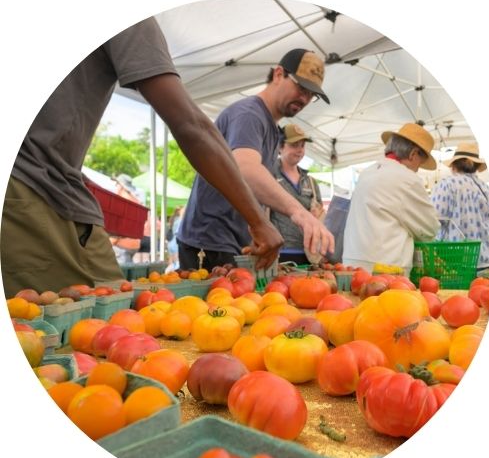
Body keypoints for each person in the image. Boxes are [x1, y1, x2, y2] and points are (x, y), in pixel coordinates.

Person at [0, 16, 282, 298]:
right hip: (30, 185)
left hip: (29, 181)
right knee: (108, 314)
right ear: (279, 74)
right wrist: (258, 222)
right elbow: (191, 125)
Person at [177, 48, 335, 271]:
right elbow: (246, 168)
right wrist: (299, 213)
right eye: (301, 87)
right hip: (211, 243)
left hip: (233, 243)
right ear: (279, 74)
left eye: (311, 94)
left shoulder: (270, 126)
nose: (305, 98)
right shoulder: (249, 114)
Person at [342, 123, 440, 276]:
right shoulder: (407, 179)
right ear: (413, 154)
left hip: (351, 266)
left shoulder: (367, 173)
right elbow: (430, 228)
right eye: (420, 164)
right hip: (386, 270)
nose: (417, 169)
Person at [431, 143, 489, 271]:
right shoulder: (487, 189)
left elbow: (432, 220)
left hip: (458, 260)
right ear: (477, 166)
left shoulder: (447, 184)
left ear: (454, 165)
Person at [269, 124, 324, 265]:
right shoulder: (268, 175)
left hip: (309, 254)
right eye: (294, 145)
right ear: (280, 147)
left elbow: (320, 215)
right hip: (277, 254)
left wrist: (317, 215)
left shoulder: (310, 181)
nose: (300, 150)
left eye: (302, 145)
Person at [166, 206, 185, 272]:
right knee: (178, 263)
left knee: (171, 263)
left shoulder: (174, 219)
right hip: (177, 243)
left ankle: (169, 276)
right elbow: (179, 233)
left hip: (171, 242)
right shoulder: (181, 221)